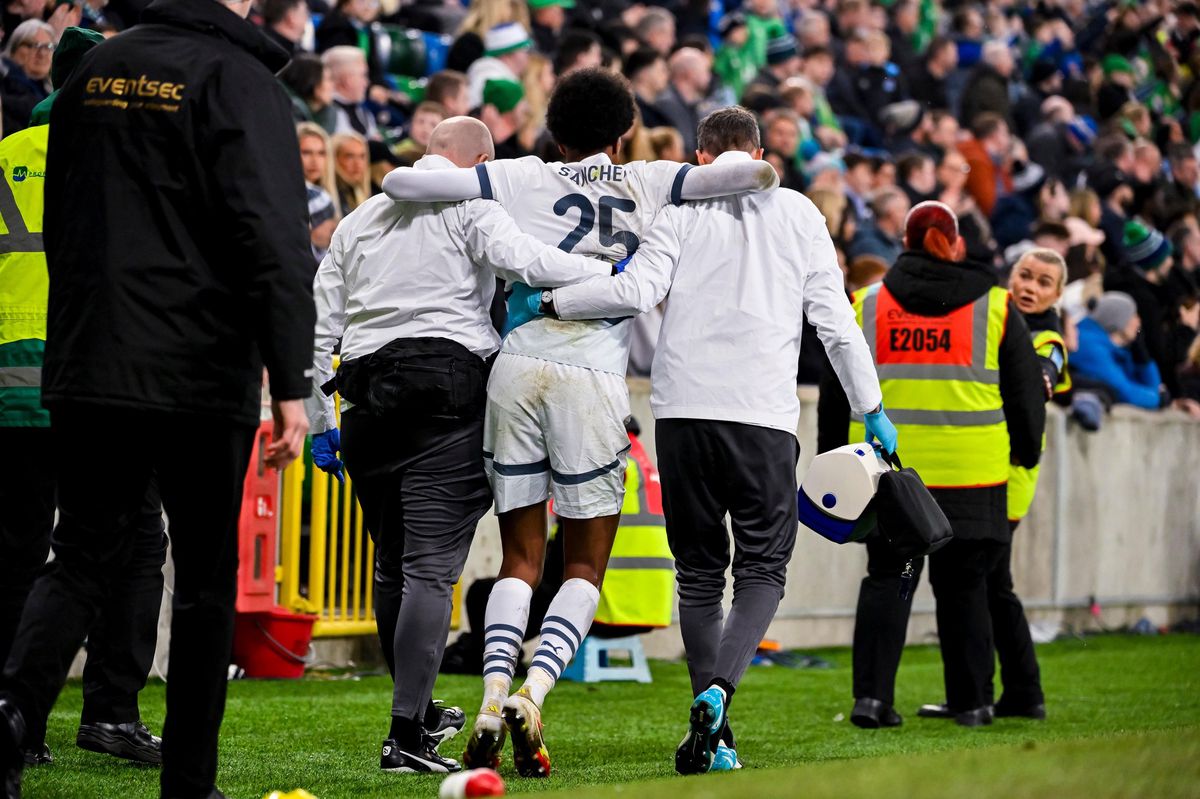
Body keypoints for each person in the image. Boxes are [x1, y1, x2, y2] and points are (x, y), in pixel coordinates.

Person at [381, 67, 777, 780]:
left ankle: (493, 693)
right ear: (623, 131)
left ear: (554, 131)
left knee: (520, 559)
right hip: (591, 376)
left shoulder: (517, 175)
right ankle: (532, 693)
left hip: (514, 368)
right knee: (585, 564)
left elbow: (402, 185)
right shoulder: (651, 179)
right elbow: (754, 175)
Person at [0, 0, 315, 797]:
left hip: (90, 355)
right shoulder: (241, 78)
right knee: (205, 580)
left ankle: (9, 711)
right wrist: (292, 380)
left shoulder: (94, 71)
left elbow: (64, 222)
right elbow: (273, 237)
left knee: (81, 554)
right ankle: (189, 781)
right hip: (198, 365)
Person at [526, 105, 888, 774]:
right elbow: (835, 324)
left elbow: (635, 292)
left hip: (683, 413)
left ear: (699, 158)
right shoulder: (801, 213)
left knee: (697, 574)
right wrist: (872, 407)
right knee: (762, 569)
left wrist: (553, 302)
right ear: (759, 153)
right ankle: (720, 692)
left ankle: (715, 738)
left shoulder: (679, 209)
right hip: (762, 416)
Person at [306, 116, 613, 775]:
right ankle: (403, 737)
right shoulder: (473, 205)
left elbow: (319, 321)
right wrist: (606, 267)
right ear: (480, 162)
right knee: (428, 571)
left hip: (364, 404)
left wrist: (317, 419)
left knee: (392, 567)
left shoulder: (358, 219)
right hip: (444, 395)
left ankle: (415, 714)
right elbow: (529, 262)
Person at [0, 26, 166, 773]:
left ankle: (16, 718)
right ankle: (111, 711)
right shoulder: (116, 152)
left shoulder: (7, 155)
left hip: (10, 376)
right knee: (133, 540)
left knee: (17, 548)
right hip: (95, 375)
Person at [818, 200, 1046, 729]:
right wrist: (1027, 453)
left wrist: (833, 456)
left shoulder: (865, 303)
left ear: (904, 242)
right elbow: (1025, 397)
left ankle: (872, 700)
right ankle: (972, 703)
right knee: (965, 586)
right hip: (974, 476)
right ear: (957, 244)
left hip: (890, 476)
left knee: (891, 579)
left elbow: (835, 390)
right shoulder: (996, 306)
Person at [919, 247, 1070, 724]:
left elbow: (1043, 378)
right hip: (992, 475)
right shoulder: (1000, 322)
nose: (1030, 287)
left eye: (1043, 282)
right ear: (1010, 275)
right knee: (992, 586)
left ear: (1058, 295)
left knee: (978, 585)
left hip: (1004, 478)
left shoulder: (1048, 339)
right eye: (1025, 275)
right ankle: (1020, 693)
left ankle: (979, 695)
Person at [1072, 292, 1165, 410]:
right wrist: (1158, 399)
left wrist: (1143, 358)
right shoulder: (1090, 346)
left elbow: (1152, 388)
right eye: (1134, 315)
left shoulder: (1115, 350)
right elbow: (1125, 393)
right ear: (1119, 318)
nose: (1139, 322)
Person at [0, 20, 54, 136]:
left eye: (48, 46)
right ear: (14, 48)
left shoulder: (53, 91)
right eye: (34, 45)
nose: (42, 54)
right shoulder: (4, 85)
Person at [298, 122, 340, 262]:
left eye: (321, 153)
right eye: (306, 152)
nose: (314, 161)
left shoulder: (324, 194)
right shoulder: (317, 197)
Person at [466, 22, 532, 110]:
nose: (528, 55)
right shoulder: (497, 82)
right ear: (508, 53)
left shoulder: (487, 74)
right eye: (525, 48)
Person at [279, 53, 338, 133]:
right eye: (327, 79)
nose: (332, 86)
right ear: (311, 81)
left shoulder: (328, 112)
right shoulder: (288, 109)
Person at [332, 131, 371, 212]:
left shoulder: (359, 192)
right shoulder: (329, 198)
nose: (358, 164)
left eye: (362, 156)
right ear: (333, 159)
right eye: (349, 156)